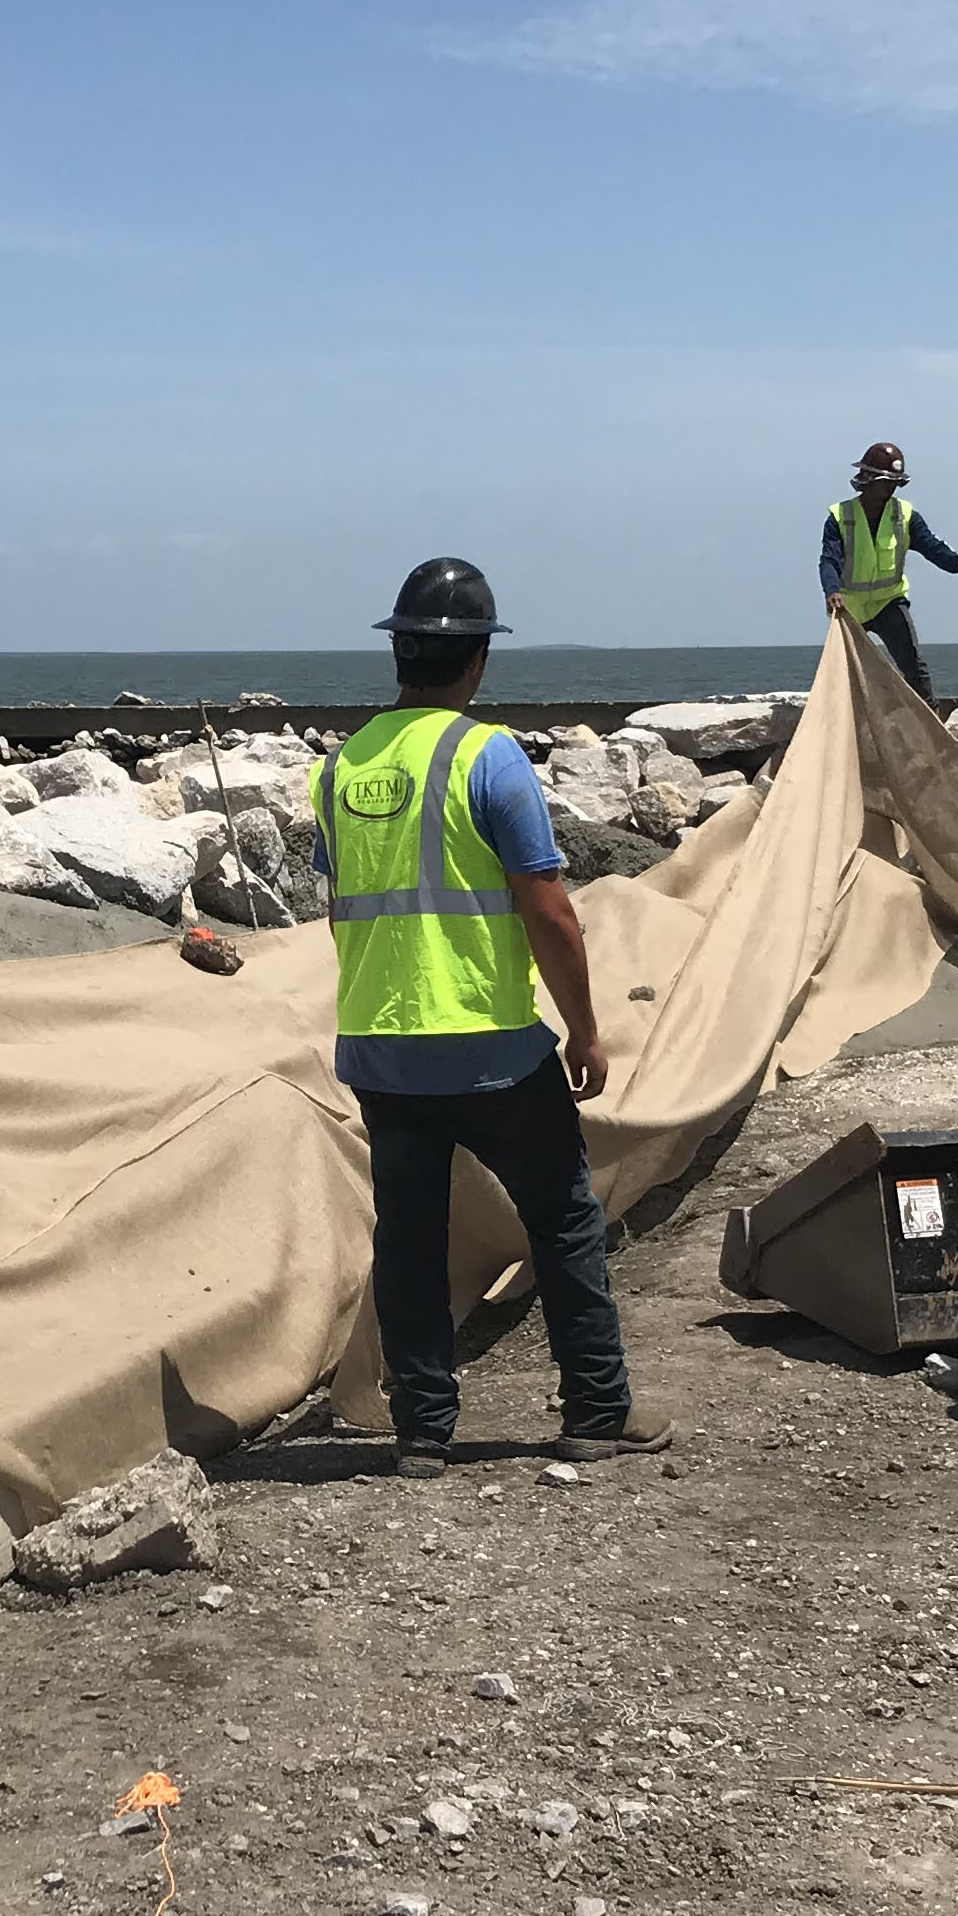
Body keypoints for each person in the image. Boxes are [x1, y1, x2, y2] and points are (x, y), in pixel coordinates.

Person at [314, 559, 674, 1480]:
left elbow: (343, 903)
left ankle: (424, 1431)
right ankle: (596, 1411)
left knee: (408, 1236)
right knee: (562, 1219)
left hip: (382, 1047)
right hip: (488, 1047)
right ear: (476, 660)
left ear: (398, 651)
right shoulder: (488, 757)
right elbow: (549, 911)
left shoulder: (341, 766)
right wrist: (585, 1029)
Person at [821, 440, 958, 699]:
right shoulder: (840, 516)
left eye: (895, 483)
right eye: (885, 482)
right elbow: (829, 559)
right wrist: (831, 591)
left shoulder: (904, 515)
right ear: (868, 479)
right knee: (843, 672)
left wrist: (957, 562)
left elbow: (930, 545)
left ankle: (930, 720)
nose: (891, 488)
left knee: (912, 664)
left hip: (889, 603)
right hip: (849, 608)